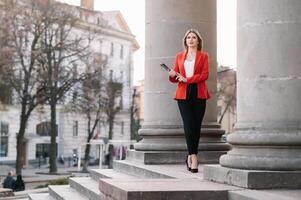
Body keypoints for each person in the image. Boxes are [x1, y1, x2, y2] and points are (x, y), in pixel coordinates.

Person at [168, 29, 210, 173]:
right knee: (188, 124)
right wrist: (173, 75)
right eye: (188, 37)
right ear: (185, 41)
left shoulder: (204, 56)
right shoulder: (180, 56)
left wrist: (188, 79)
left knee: (196, 126)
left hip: (199, 92)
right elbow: (175, 78)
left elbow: (205, 75)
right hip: (183, 94)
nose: (191, 39)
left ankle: (190, 155)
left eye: (193, 37)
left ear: (198, 41)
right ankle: (193, 157)